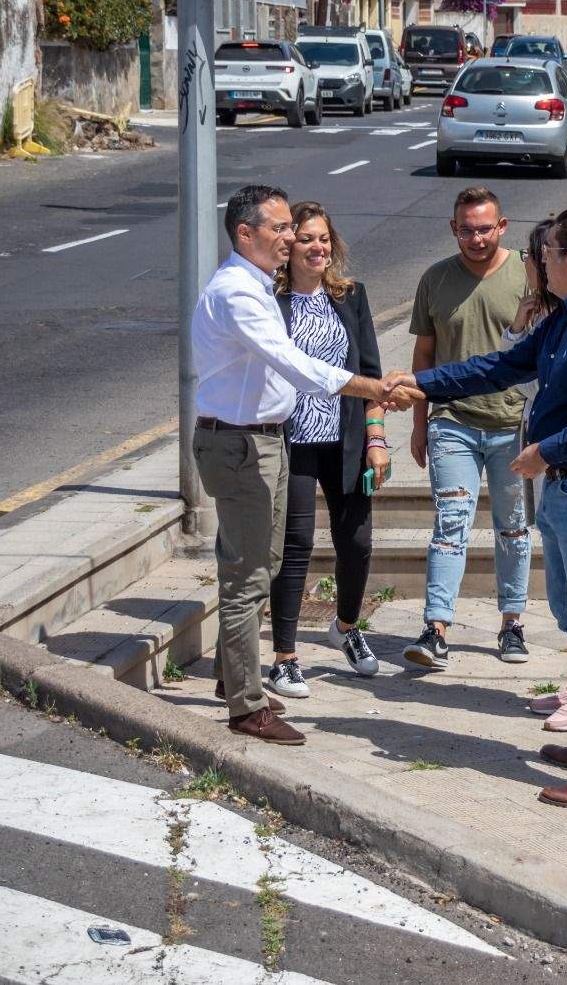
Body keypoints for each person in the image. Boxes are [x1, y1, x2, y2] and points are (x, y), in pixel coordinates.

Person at [386, 205, 567, 810]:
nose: (538, 262)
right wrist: (424, 385)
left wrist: (545, 451)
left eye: (547, 252)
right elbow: (504, 366)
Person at [192, 185, 421, 746]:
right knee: (248, 576)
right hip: (241, 445)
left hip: (265, 441)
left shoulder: (254, 285)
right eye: (280, 228)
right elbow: (293, 362)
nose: (290, 237)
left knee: (262, 562)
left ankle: (232, 678)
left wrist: (369, 427)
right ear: (245, 233)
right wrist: (373, 388)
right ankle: (246, 707)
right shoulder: (239, 294)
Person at [403, 186, 533, 669]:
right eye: (466, 229)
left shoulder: (526, 273)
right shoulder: (435, 279)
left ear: (501, 227)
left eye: (485, 228)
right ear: (453, 228)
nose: (476, 238)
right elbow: (423, 356)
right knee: (451, 523)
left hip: (512, 424)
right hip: (452, 422)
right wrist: (419, 422)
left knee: (513, 527)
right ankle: (435, 627)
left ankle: (512, 623)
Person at [263, 201, 388, 699]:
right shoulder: (272, 301)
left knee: (356, 543)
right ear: (288, 246)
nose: (317, 247)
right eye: (306, 238)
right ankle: (285, 657)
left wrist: (376, 439)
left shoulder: (350, 297)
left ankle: (345, 626)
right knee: (295, 547)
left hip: (347, 440)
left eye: (324, 239)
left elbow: (372, 374)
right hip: (294, 441)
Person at [507, 220, 567, 736]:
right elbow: (507, 361)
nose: (531, 267)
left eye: (536, 257)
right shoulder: (548, 316)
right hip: (548, 460)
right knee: (562, 595)